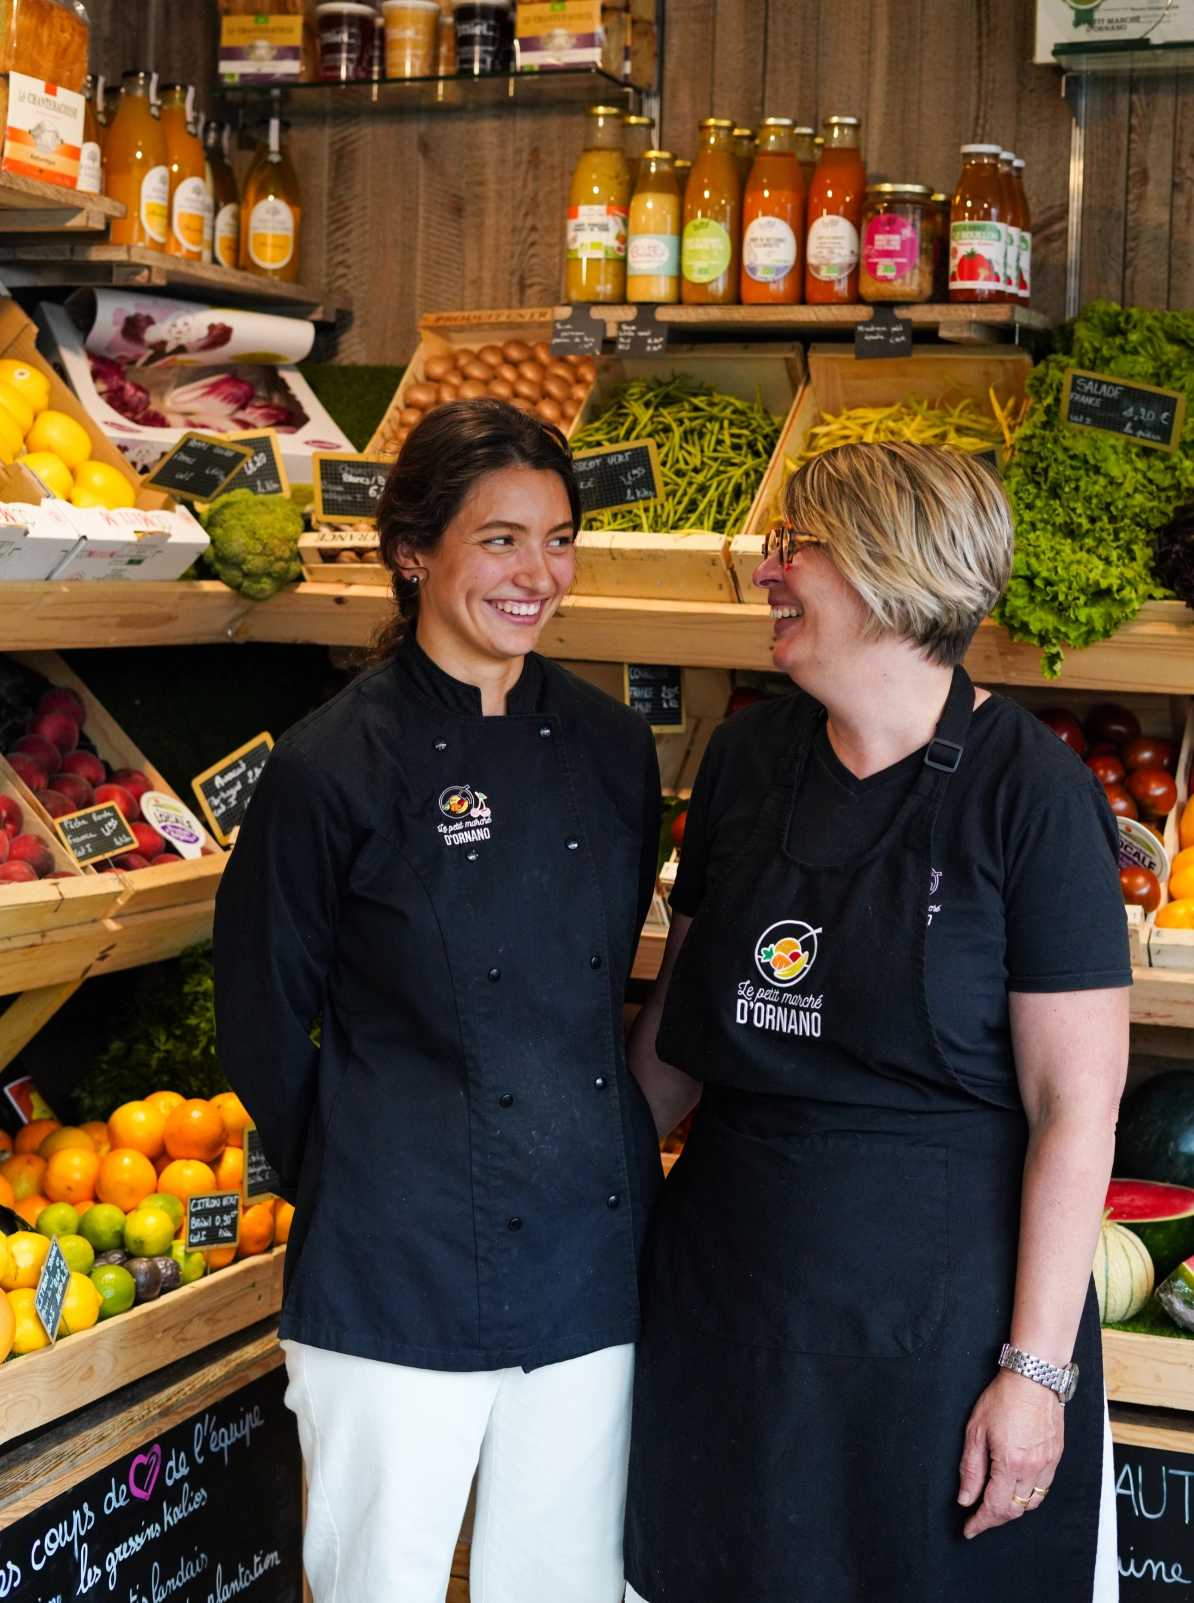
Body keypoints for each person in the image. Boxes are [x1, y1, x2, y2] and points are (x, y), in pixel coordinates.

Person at [623, 441, 1129, 1602]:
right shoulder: (744, 760)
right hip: (726, 1312)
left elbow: (1075, 1109)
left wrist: (1036, 1374)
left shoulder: (1032, 794)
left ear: (890, 573)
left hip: (943, 1343)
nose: (767, 570)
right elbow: (674, 1040)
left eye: (794, 547)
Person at [213, 399, 662, 1603]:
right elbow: (260, 1016)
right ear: (413, 551)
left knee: (565, 1587)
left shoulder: (615, 751)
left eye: (558, 540)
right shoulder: (328, 766)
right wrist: (372, 1171)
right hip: (395, 1263)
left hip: (587, 1259)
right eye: (500, 540)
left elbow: (597, 986)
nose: (537, 574)